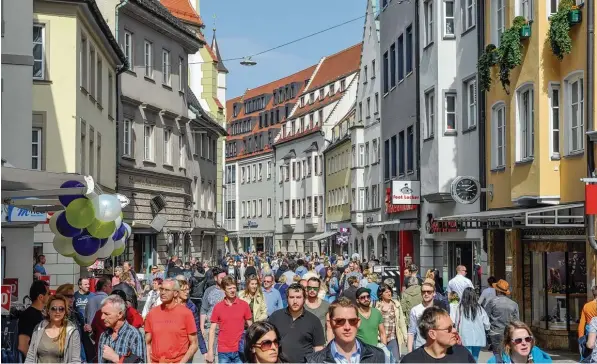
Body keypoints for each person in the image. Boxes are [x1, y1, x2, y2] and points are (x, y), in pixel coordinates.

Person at [305, 297, 391, 363]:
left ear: (358, 322)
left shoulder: (379, 356)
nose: (347, 327)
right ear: (330, 323)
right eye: (340, 321)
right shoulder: (314, 361)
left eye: (352, 321)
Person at [268, 283, 325, 363]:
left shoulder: (314, 321)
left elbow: (318, 349)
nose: (295, 301)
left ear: (304, 299)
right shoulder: (275, 317)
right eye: (291, 297)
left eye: (298, 297)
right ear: (287, 299)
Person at [144, 278, 198, 363]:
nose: (163, 292)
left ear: (176, 293)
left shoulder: (186, 313)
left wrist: (182, 362)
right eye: (161, 289)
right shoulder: (152, 313)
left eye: (167, 290)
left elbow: (194, 344)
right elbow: (147, 343)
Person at [401, 306, 475, 363]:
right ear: (432, 334)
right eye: (448, 329)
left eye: (453, 326)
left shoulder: (462, 353)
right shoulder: (410, 360)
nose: (455, 330)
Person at [206, 276, 253, 363]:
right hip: (223, 350)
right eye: (229, 288)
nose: (232, 290)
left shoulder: (244, 305)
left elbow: (251, 327)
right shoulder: (218, 307)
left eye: (234, 288)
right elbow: (212, 330)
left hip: (240, 349)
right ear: (224, 290)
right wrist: (210, 351)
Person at [24, 294, 81, 363]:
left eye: (61, 309)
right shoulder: (39, 328)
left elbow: (75, 360)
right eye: (54, 308)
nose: (57, 311)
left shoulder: (72, 332)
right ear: (48, 311)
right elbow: (30, 357)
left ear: (65, 312)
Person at [97, 295, 146, 363]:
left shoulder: (134, 335)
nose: (102, 317)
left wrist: (116, 358)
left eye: (106, 314)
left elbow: (141, 362)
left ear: (120, 314)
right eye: (102, 313)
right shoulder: (104, 335)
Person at [451, 287, 490, 361]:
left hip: (465, 336)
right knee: (475, 358)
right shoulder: (479, 308)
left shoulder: (460, 308)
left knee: (466, 357)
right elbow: (486, 322)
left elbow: (456, 322)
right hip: (478, 337)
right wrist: (487, 329)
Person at [485, 279, 520, 357]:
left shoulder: (492, 302)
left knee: (497, 355)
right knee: (508, 355)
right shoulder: (514, 304)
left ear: (497, 290)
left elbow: (485, 317)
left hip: (495, 332)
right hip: (509, 332)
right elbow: (517, 321)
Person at [18, 280, 50, 358]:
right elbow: (23, 345)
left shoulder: (41, 314)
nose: (50, 296)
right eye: (48, 294)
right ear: (41, 297)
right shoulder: (28, 315)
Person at [376, 283, 408, 360]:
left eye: (389, 291)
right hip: (380, 338)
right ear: (381, 294)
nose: (389, 293)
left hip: (393, 337)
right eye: (386, 292)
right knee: (383, 360)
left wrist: (406, 337)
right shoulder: (376, 306)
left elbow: (402, 322)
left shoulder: (396, 304)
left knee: (395, 360)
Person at [177, 279, 208, 356]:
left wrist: (204, 352)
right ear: (176, 291)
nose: (187, 292)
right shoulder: (168, 305)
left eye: (188, 289)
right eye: (184, 290)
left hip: (186, 347)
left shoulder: (191, 307)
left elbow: (197, 330)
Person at [200, 267, 226, 351]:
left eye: (225, 278)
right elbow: (204, 309)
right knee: (211, 354)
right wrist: (202, 327)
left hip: (225, 327)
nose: (224, 280)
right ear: (215, 278)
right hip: (211, 326)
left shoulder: (230, 290)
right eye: (221, 278)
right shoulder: (209, 291)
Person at [407, 279, 436, 353]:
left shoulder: (438, 309)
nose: (426, 294)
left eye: (429, 292)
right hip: (420, 347)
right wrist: (409, 352)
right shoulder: (415, 310)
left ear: (434, 293)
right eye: (423, 291)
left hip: (436, 348)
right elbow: (411, 331)